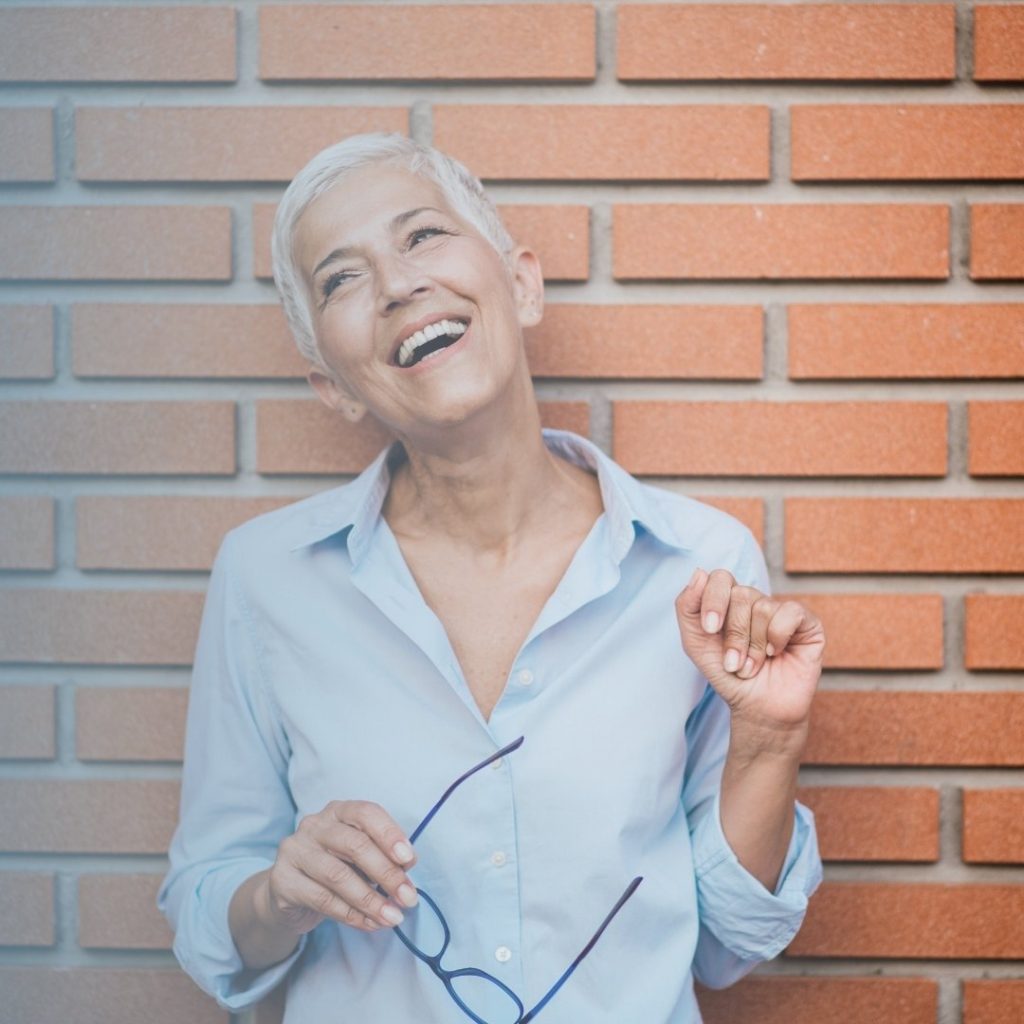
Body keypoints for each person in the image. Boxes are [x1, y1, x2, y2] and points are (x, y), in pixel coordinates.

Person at [159, 132, 824, 1023]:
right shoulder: (265, 580)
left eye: (423, 235)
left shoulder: (701, 566)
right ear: (332, 386)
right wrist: (280, 894)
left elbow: (728, 943)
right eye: (341, 278)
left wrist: (770, 744)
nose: (398, 284)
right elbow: (210, 919)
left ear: (521, 283)